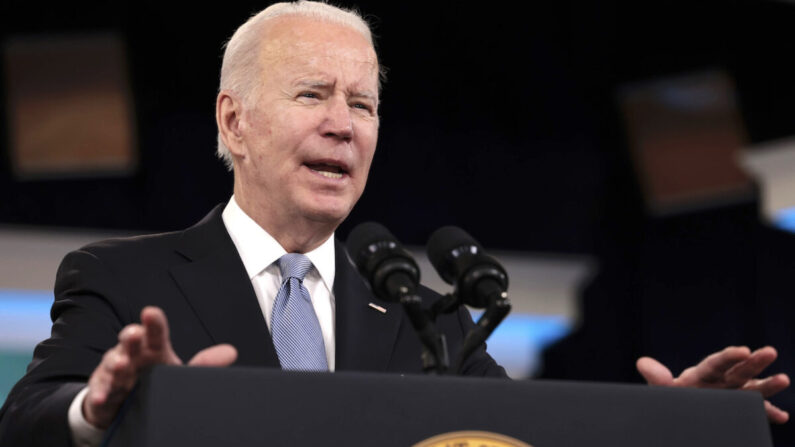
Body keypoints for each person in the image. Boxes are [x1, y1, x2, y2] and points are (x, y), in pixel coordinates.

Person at [0, 2, 788, 446]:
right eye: (313, 95)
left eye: (364, 104)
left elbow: (525, 438)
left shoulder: (428, 320)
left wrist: (669, 424)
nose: (345, 125)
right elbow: (27, 421)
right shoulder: (121, 276)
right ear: (232, 121)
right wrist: (97, 408)